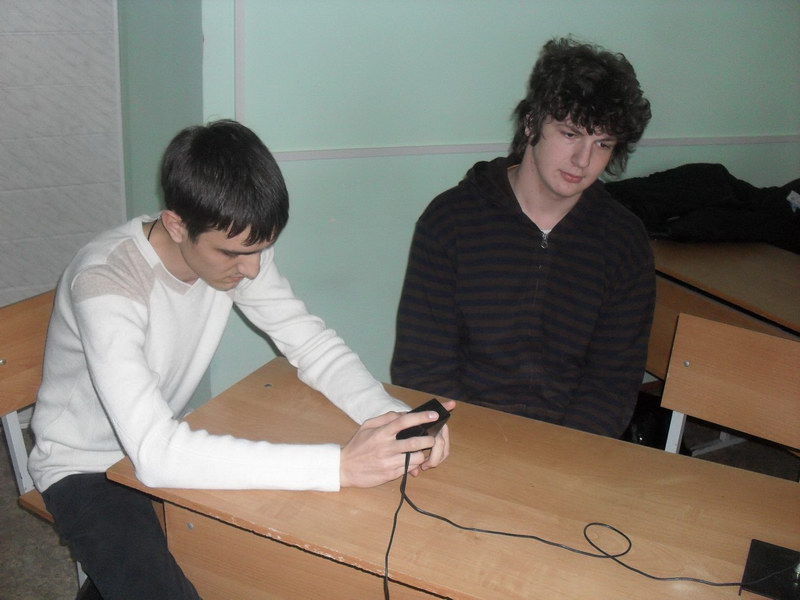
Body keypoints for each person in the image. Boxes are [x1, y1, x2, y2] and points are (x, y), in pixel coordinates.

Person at [28, 119, 453, 599]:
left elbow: (310, 344)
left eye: (263, 249)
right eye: (235, 253)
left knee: (280, 550)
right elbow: (156, 456)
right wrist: (340, 466)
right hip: (87, 465)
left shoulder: (237, 249)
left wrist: (390, 418)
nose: (251, 269)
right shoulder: (107, 283)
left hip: (160, 435)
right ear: (176, 225)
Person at [391, 37, 653, 438]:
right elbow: (424, 365)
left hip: (572, 443)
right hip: (461, 435)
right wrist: (466, 442)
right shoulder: (451, 220)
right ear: (531, 124)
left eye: (602, 143)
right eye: (570, 134)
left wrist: (563, 453)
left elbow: (612, 382)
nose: (583, 160)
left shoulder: (623, 241)